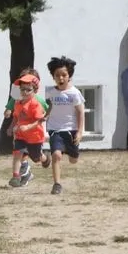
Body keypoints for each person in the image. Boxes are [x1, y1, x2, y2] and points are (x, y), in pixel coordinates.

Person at [45, 56, 84, 195]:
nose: (60, 78)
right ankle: (57, 184)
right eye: (57, 75)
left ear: (69, 76)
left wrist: (79, 132)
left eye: (64, 75)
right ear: (53, 76)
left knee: (73, 160)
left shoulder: (74, 93)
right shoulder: (49, 92)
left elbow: (80, 112)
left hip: (71, 129)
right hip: (55, 129)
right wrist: (43, 118)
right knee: (56, 155)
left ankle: (69, 150)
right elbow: (47, 107)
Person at [3, 68, 49, 185]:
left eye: (28, 90)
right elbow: (16, 117)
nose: (25, 92)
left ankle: (45, 158)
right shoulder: (18, 103)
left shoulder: (35, 104)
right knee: (17, 153)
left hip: (34, 137)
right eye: (22, 89)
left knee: (36, 157)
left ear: (35, 90)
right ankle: (16, 177)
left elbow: (40, 119)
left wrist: (28, 127)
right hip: (21, 135)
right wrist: (11, 127)